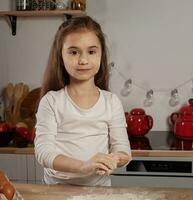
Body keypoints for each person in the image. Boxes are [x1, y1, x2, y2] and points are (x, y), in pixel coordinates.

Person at [34, 16, 132, 186]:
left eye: (92, 51)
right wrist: (83, 166)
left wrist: (114, 159)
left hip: (99, 191)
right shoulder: (51, 102)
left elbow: (123, 149)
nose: (83, 60)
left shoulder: (111, 102)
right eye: (73, 52)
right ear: (61, 56)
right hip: (56, 191)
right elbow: (44, 152)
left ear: (101, 54)